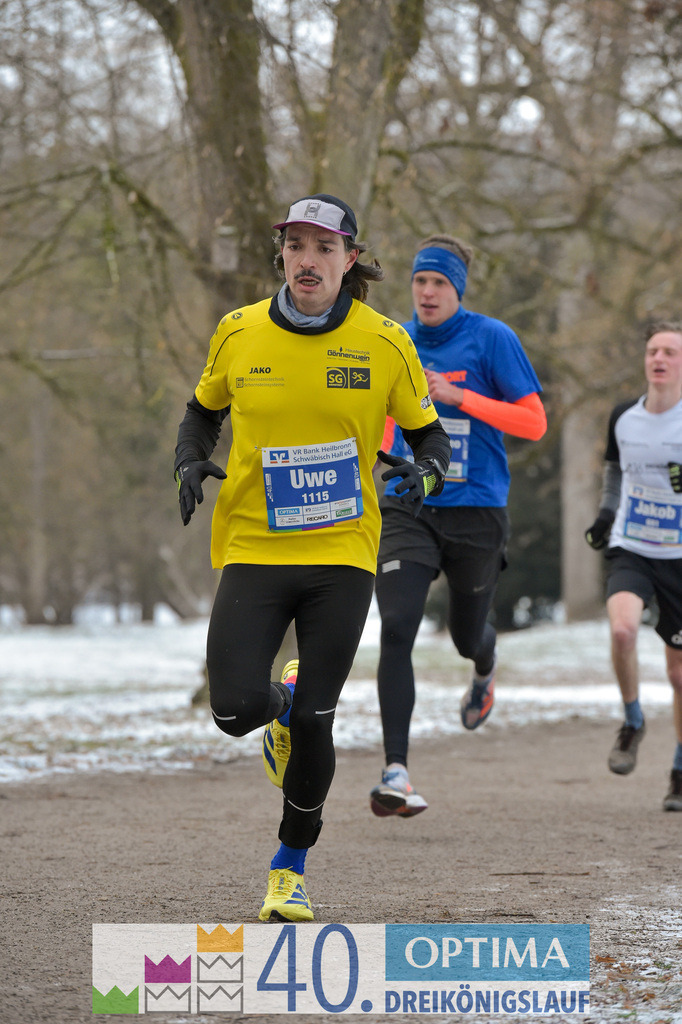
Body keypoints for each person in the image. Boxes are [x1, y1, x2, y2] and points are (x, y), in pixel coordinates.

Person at [173, 194, 451, 920]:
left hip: (343, 552)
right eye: (297, 244)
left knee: (318, 723)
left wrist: (426, 474)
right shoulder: (238, 332)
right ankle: (281, 705)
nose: (308, 259)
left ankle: (289, 868)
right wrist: (188, 458)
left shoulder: (386, 342)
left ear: (349, 259)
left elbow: (429, 436)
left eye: (325, 247)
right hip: (255, 546)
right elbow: (203, 410)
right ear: (282, 254)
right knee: (234, 709)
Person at [369, 234, 547, 818]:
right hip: (409, 504)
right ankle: (396, 771)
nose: (427, 292)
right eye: (420, 281)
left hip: (476, 511)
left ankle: (484, 667)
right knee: (397, 625)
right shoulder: (393, 340)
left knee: (467, 637)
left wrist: (460, 397)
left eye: (439, 283)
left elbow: (534, 422)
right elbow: (379, 422)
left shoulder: (493, 339)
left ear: (458, 290)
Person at [585, 321, 682, 812]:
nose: (659, 358)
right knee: (622, 630)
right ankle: (633, 720)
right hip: (633, 546)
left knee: (679, 674)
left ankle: (680, 769)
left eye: (669, 352)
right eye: (653, 351)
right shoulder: (624, 416)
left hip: (679, 556)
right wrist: (606, 516)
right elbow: (614, 472)